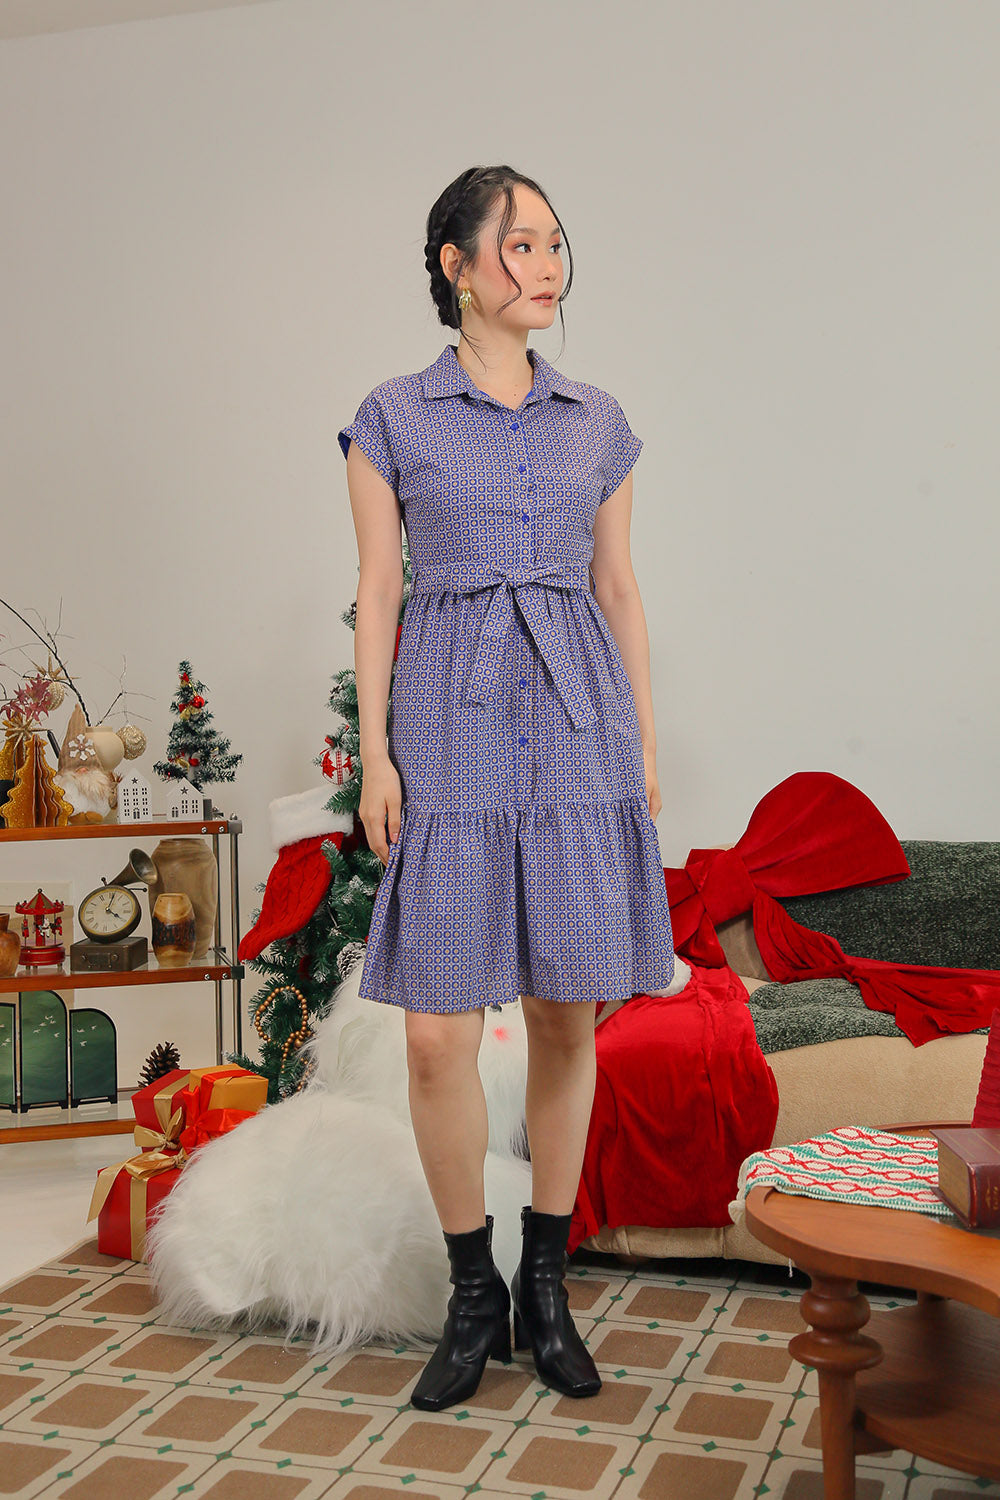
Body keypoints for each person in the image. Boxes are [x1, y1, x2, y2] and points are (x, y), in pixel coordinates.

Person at [339, 164, 675, 1411]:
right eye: (519, 244)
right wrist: (376, 754)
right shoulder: (392, 416)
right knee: (436, 1034)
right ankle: (471, 1288)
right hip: (449, 715)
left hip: (580, 720)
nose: (545, 266)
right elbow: (378, 590)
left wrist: (644, 747)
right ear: (457, 265)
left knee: (563, 1015)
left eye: (553, 244)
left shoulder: (598, 421)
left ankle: (546, 1283)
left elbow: (618, 588)